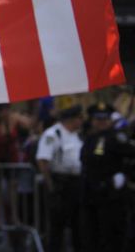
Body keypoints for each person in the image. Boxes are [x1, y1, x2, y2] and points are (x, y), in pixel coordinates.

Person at [80, 103, 135, 252]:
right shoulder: (89, 138)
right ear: (92, 120)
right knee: (92, 234)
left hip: (110, 194)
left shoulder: (117, 138)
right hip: (91, 194)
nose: (101, 122)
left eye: (105, 119)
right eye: (98, 119)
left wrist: (124, 175)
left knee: (111, 235)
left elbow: (131, 157)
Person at [35, 105, 84, 252]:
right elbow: (43, 160)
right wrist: (50, 185)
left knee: (79, 224)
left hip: (76, 182)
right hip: (60, 183)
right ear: (71, 119)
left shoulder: (77, 135)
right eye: (79, 118)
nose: (82, 121)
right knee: (57, 226)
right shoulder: (53, 134)